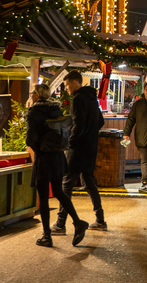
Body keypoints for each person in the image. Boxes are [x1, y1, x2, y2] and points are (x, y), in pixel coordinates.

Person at [25, 84, 88, 248]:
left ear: (37, 95)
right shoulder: (56, 110)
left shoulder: (34, 112)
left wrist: (35, 147)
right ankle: (78, 222)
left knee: (44, 197)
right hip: (58, 156)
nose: (31, 96)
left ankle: (47, 236)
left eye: (33, 93)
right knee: (59, 192)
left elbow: (30, 139)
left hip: (43, 157)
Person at [53, 71, 106, 233]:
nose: (66, 89)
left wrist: (69, 143)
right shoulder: (92, 99)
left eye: (67, 85)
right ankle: (100, 220)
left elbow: (78, 126)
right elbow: (100, 121)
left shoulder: (78, 100)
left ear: (75, 83)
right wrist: (90, 135)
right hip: (90, 148)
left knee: (66, 185)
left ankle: (60, 224)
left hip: (77, 150)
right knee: (89, 183)